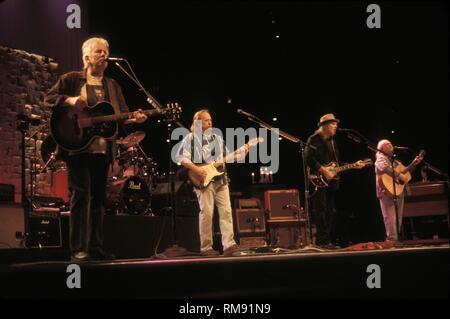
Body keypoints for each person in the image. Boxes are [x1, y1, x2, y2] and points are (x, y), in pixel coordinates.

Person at [45, 37, 147, 261]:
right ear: (86, 57)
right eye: (98, 51)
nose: (103, 55)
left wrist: (134, 119)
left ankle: (95, 247)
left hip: (102, 150)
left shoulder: (112, 85)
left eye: (105, 52)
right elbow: (49, 98)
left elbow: (122, 117)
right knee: (80, 196)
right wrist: (70, 101)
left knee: (99, 198)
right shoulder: (72, 79)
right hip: (77, 147)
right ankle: (78, 249)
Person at [176, 109, 248, 256]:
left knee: (226, 212)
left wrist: (242, 152)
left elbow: (227, 157)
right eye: (206, 120)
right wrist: (196, 169)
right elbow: (181, 158)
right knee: (207, 214)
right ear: (198, 122)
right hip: (204, 179)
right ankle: (206, 248)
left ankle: (229, 245)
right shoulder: (190, 138)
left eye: (210, 120)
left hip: (221, 178)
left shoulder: (217, 138)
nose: (210, 122)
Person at [305, 113, 364, 248]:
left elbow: (336, 164)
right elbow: (308, 158)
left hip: (332, 181)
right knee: (321, 210)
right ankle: (322, 241)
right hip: (318, 179)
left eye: (336, 124)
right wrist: (323, 170)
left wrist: (354, 164)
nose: (336, 126)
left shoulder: (332, 141)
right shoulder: (314, 139)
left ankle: (327, 240)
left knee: (330, 211)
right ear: (324, 126)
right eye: (333, 124)